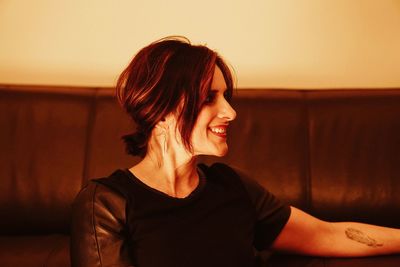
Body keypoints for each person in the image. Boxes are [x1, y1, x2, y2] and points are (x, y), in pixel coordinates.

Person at [70, 36, 400, 267]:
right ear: (161, 110)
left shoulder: (232, 187)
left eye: (225, 96)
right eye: (209, 98)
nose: (230, 112)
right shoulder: (106, 204)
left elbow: (328, 234)